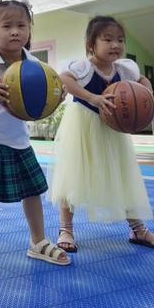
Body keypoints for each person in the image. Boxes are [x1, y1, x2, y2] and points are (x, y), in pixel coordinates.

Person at [0, 0, 70, 277]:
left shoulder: (35, 66)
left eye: (22, 25)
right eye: (7, 26)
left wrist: (56, 97)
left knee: (33, 191)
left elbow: (50, 92)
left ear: (30, 31)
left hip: (19, 140)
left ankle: (38, 241)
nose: (15, 31)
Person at [48, 15, 154, 252]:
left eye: (120, 40)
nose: (115, 45)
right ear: (90, 45)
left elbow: (143, 79)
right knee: (72, 177)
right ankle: (66, 229)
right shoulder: (83, 67)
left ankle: (137, 228)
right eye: (108, 39)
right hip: (83, 127)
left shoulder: (125, 69)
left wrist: (147, 93)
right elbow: (65, 79)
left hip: (113, 131)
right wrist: (92, 97)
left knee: (124, 175)